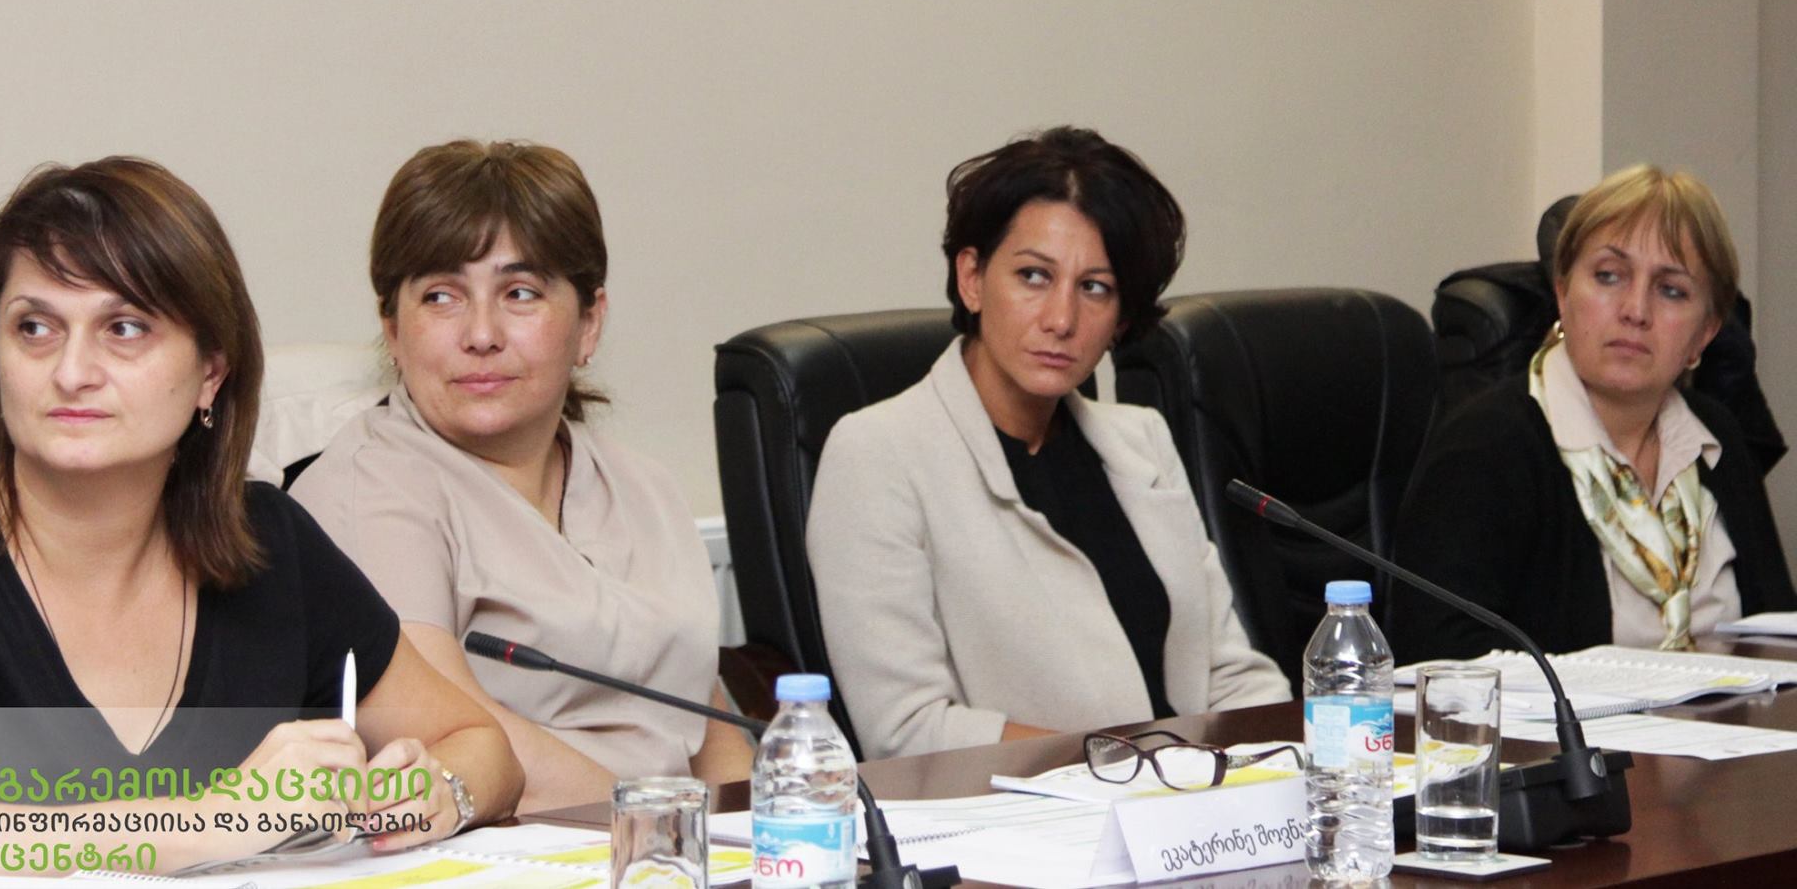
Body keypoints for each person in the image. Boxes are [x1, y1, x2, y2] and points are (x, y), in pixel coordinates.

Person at [0, 158, 521, 873]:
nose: (72, 372)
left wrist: (438, 792)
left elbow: (482, 746)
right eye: (35, 327)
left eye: (124, 328)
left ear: (211, 371)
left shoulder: (270, 542)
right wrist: (214, 818)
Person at [292, 141, 754, 811]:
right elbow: (452, 738)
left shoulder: (643, 485)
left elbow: (704, 721)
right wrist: (669, 832)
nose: (482, 333)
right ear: (393, 330)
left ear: (589, 322)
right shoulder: (368, 490)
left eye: (520, 293)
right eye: (441, 296)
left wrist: (760, 834)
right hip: (524, 844)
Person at [806, 128, 1287, 760]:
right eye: (1033, 276)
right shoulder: (877, 455)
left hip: (1190, 796)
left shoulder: (1140, 440)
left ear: (1121, 316)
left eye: (1095, 287)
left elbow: (1229, 674)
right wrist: (1132, 761)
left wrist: (1294, 755)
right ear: (972, 278)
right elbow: (908, 730)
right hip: (1035, 808)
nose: (1062, 320)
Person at [1389, 165, 1797, 663]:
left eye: (1671, 290)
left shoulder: (1716, 436)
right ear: (1563, 294)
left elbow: (1780, 636)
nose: (1635, 310)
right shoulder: (1484, 447)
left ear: (1705, 333)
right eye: (1609, 276)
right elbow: (1440, 663)